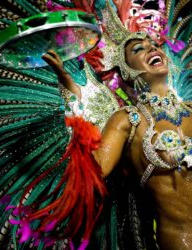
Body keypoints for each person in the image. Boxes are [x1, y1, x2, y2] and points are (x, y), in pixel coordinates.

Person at [42, 34, 192, 250]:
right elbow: (96, 169)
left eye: (155, 45)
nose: (152, 49)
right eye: (139, 49)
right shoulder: (128, 120)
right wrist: (74, 102)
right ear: (126, 71)